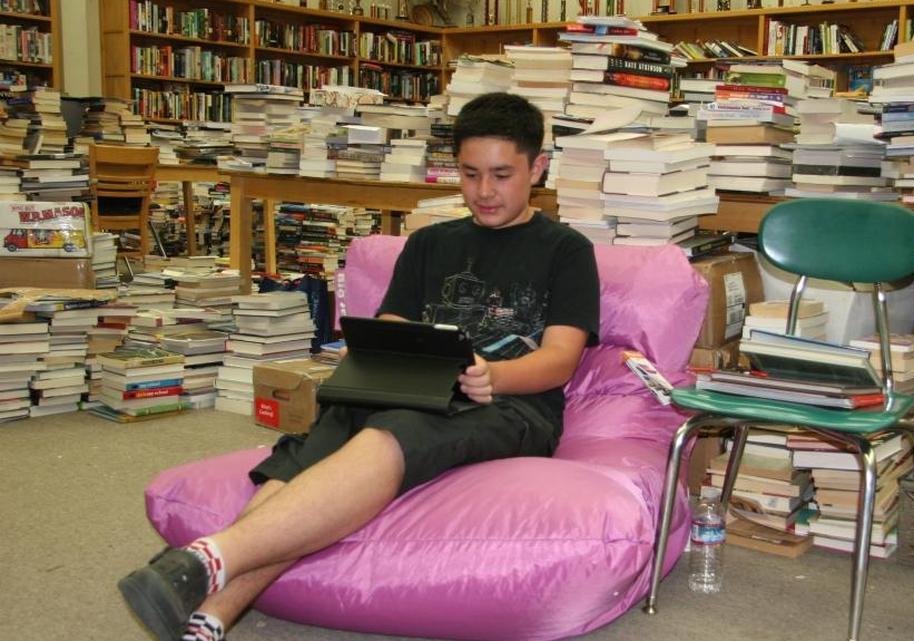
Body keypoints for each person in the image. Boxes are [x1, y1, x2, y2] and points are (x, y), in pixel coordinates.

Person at [118, 92, 600, 641]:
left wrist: (494, 375)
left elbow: (560, 360)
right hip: (414, 387)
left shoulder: (566, 250)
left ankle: (206, 559)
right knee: (316, 447)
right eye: (469, 174)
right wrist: (374, 350)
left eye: (501, 175)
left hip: (510, 403)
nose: (484, 192)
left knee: (390, 434)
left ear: (537, 168)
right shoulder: (429, 242)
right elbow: (393, 320)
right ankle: (213, 614)